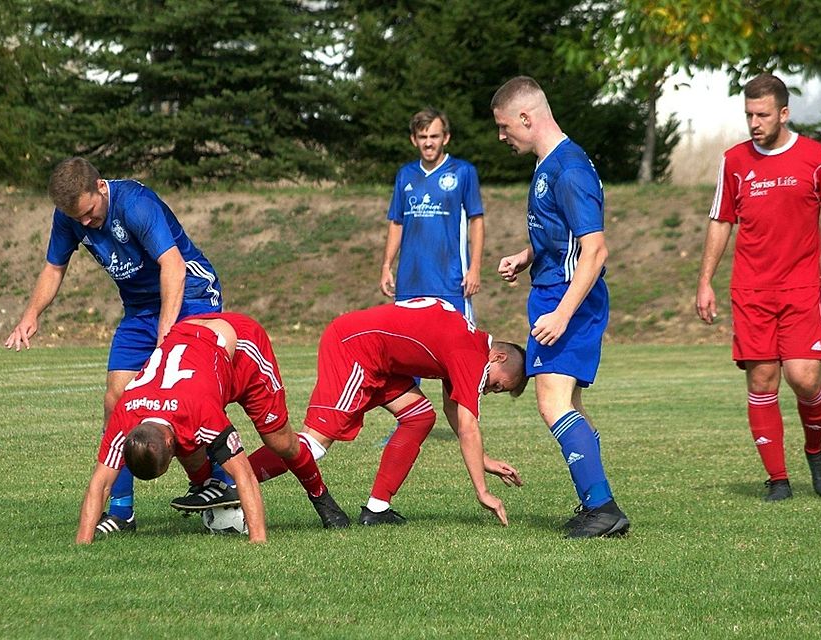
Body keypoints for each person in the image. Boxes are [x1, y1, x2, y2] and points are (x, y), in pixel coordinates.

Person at [7, 157, 229, 535]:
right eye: (77, 218)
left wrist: (166, 335)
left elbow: (173, 266)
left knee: (186, 397)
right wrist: (31, 314)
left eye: (89, 213)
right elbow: (54, 267)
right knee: (116, 401)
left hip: (191, 295)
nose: (85, 223)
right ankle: (122, 511)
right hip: (140, 309)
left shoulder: (135, 204)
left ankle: (220, 480)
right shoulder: (70, 216)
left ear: (100, 187)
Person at [696, 73, 821, 502]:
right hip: (751, 292)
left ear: (784, 113)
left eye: (763, 115)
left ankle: (815, 449)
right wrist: (705, 282)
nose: (754, 123)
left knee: (804, 378)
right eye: (749, 115)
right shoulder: (734, 161)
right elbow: (720, 221)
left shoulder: (817, 158)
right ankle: (778, 479)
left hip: (801, 289)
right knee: (762, 381)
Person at [241, 297, 526, 526]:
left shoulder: (468, 341)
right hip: (354, 347)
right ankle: (231, 481)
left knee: (419, 416)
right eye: (497, 385)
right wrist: (482, 491)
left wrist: (483, 459)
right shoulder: (471, 356)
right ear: (498, 357)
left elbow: (452, 406)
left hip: (378, 358)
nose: (489, 391)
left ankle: (377, 509)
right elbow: (467, 426)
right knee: (315, 443)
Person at [491, 76, 630, 539]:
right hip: (554, 291)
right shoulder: (549, 164)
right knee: (569, 403)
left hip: (568, 297)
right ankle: (595, 501)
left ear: (526, 117)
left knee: (552, 402)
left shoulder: (569, 169)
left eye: (504, 126)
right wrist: (526, 255)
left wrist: (563, 313)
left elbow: (596, 250)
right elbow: (561, 235)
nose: (501, 135)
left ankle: (603, 508)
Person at [76, 312, 348, 544]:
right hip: (195, 347)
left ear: (167, 442)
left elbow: (244, 475)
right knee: (188, 438)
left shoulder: (201, 413)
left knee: (281, 442)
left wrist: (258, 542)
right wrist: (83, 543)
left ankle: (321, 498)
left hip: (242, 347)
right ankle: (210, 486)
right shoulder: (125, 413)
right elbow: (101, 484)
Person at [380, 107, 485, 323]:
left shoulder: (463, 172)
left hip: (451, 283)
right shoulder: (405, 174)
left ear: (446, 138)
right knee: (409, 342)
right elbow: (397, 223)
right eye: (423, 137)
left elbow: (476, 221)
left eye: (434, 136)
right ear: (414, 140)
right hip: (410, 283)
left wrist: (474, 268)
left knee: (456, 342)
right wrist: (386, 266)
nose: (428, 143)